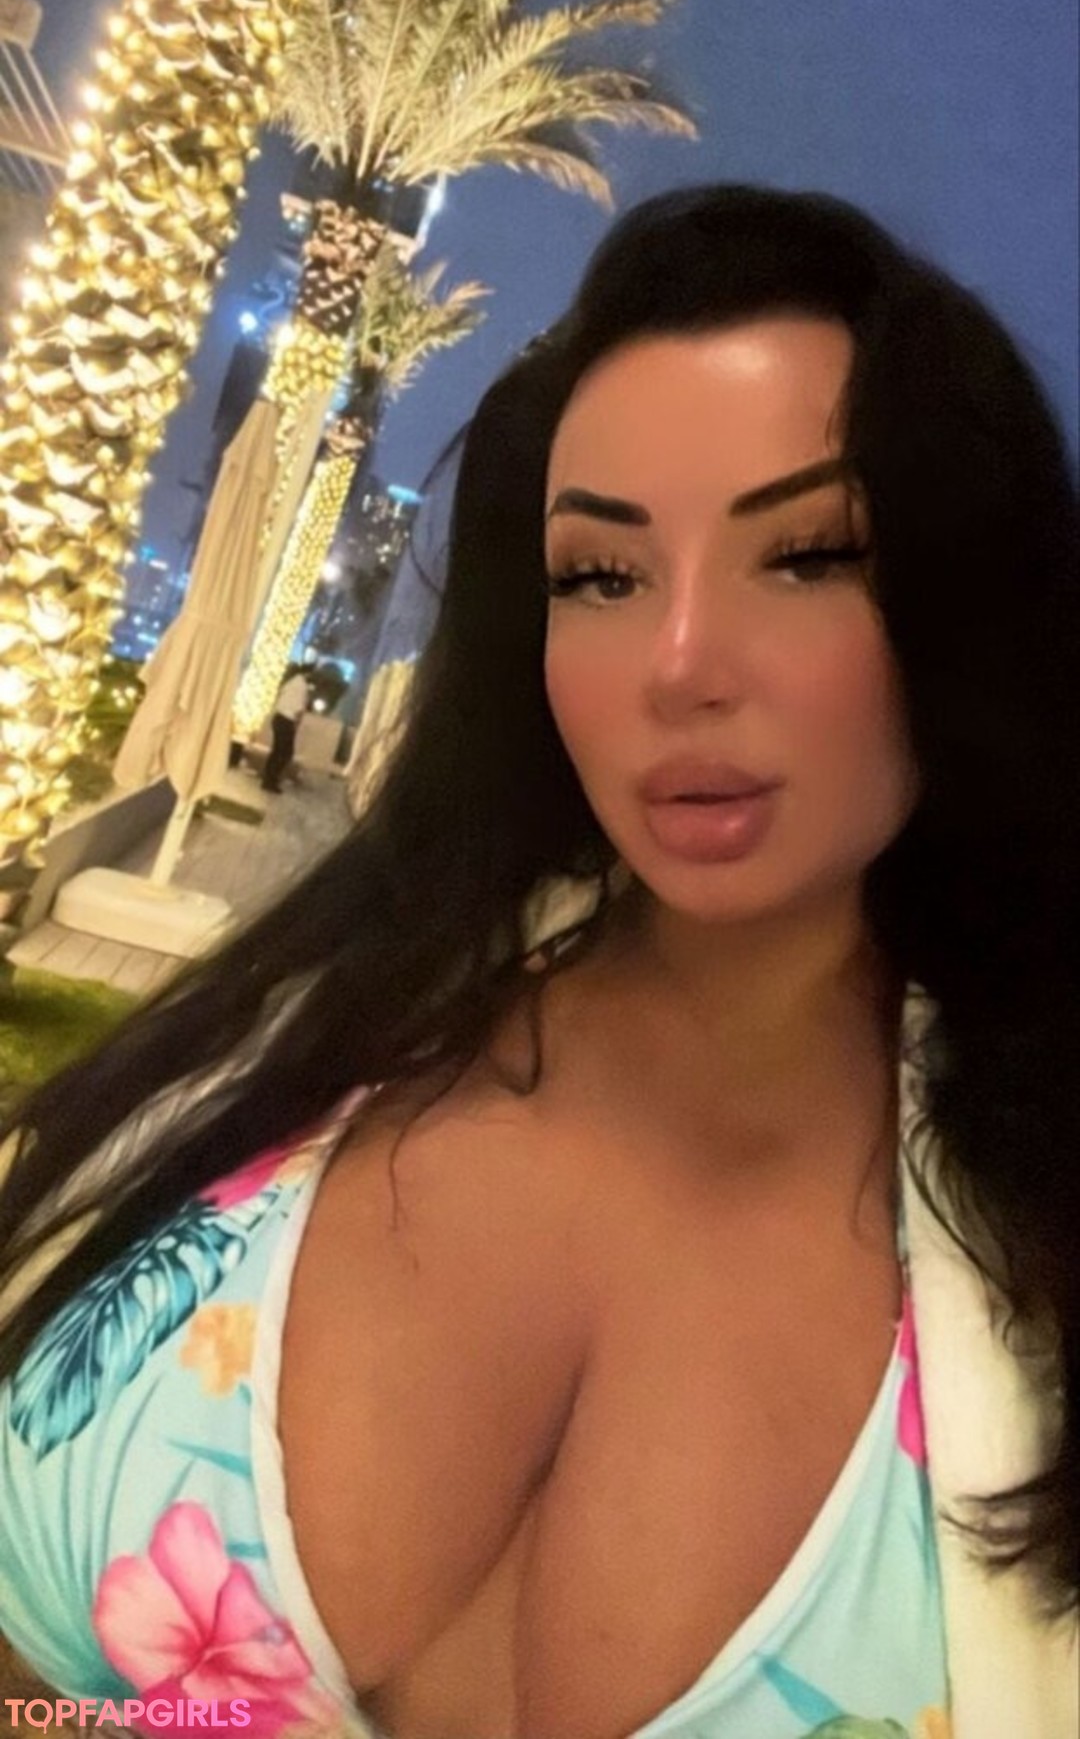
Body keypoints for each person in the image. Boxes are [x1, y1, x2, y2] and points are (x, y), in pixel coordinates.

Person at [0, 184, 1077, 1738]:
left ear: (964, 602)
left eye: (807, 553)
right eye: (602, 574)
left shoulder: (1033, 1240)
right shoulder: (310, 1044)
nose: (682, 664)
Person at [261, 665, 312, 792]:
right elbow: (299, 709)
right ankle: (272, 780)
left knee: (277, 751)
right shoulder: (302, 687)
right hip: (287, 720)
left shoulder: (291, 681)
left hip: (278, 717)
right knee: (285, 753)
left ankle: (267, 778)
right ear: (308, 674)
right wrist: (296, 725)